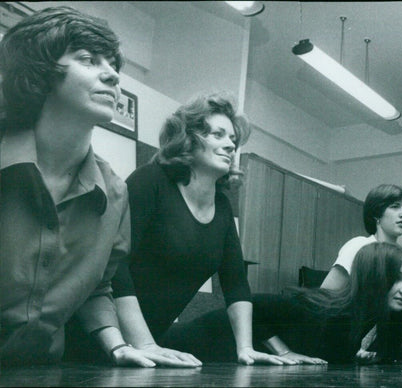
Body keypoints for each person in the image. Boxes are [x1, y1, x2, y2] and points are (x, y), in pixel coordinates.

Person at [0, 6, 176, 367]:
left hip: (39, 372)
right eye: (89, 59)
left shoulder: (114, 193)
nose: (112, 75)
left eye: (112, 64)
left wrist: (118, 346)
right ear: (41, 72)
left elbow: (96, 288)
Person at [90, 92, 298, 366]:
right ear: (189, 139)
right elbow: (116, 265)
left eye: (233, 140)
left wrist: (245, 347)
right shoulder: (150, 181)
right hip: (100, 339)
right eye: (218, 135)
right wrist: (144, 342)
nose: (230, 146)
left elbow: (235, 283)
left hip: (150, 345)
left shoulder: (222, 207)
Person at [319, 184, 402, 362]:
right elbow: (324, 297)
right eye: (395, 207)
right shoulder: (358, 245)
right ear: (376, 214)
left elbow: (401, 313)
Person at [242, 242, 402, 364]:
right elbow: (250, 303)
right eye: (396, 279)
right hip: (225, 338)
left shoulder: (372, 319)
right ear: (373, 279)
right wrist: (284, 352)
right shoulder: (323, 309)